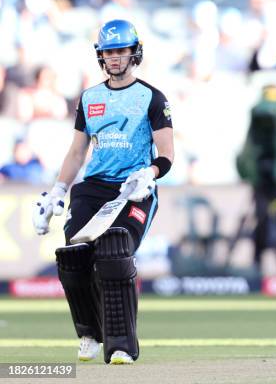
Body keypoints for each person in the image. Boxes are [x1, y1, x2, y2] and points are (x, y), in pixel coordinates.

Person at [31, 19, 174, 365]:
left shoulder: (152, 98)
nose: (113, 58)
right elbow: (77, 152)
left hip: (134, 188)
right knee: (73, 256)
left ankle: (122, 345)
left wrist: (149, 174)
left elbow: (167, 155)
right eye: (108, 51)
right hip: (93, 188)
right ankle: (90, 335)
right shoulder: (90, 98)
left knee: (115, 249)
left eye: (120, 50)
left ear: (133, 52)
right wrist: (57, 191)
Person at [236, 85, 276, 269]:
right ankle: (257, 262)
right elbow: (249, 152)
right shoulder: (256, 124)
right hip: (262, 181)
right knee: (262, 219)